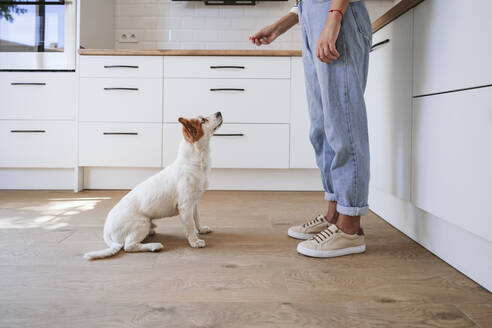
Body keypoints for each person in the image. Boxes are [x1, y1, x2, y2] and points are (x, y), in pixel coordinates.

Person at [250, 0, 372, 258]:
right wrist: (281, 25)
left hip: (338, 13)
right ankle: (334, 215)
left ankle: (349, 227)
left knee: (344, 123)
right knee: (322, 126)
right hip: (314, 17)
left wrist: (334, 17)